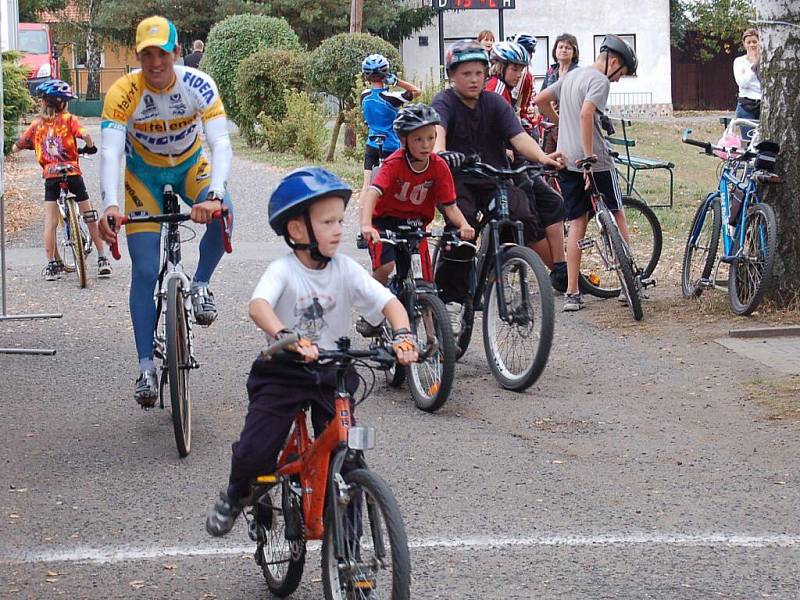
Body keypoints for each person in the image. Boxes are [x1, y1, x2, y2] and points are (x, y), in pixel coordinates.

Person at [205, 167, 419, 536]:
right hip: (284, 369)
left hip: (332, 370)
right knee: (257, 451)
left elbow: (389, 303)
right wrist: (285, 334)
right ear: (298, 230)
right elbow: (258, 305)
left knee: (348, 456)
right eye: (328, 221)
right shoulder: (283, 270)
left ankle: (351, 563)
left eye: (340, 219)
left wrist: (403, 335)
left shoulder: (346, 269)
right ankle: (236, 493)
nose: (338, 229)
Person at [98, 16, 234, 405]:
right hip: (142, 176)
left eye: (163, 53)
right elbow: (109, 152)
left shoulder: (198, 85)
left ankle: (201, 284)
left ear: (176, 52)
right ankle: (145, 367)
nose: (155, 63)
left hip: (190, 165)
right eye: (147, 55)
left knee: (225, 214)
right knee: (143, 269)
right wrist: (109, 204)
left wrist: (216, 195)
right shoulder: (123, 92)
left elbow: (220, 143)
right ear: (139, 56)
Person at [431, 39, 564, 334]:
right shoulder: (445, 101)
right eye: (466, 73)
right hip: (459, 181)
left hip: (494, 179)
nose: (474, 79)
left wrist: (543, 156)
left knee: (521, 215)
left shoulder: (494, 102)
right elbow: (438, 133)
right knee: (462, 234)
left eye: (479, 72)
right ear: (453, 75)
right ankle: (451, 301)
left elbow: (518, 137)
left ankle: (504, 272)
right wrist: (441, 154)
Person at [535, 34, 637, 312]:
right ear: (613, 62)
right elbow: (586, 114)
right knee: (616, 212)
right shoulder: (599, 80)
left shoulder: (571, 77)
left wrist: (559, 122)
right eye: (621, 74)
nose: (617, 80)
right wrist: (589, 156)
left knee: (577, 221)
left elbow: (540, 99)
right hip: (595, 161)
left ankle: (572, 293)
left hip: (566, 159)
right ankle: (631, 283)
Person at [357, 104, 475, 333]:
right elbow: (373, 193)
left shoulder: (439, 166)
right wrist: (366, 225)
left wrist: (464, 224)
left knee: (427, 284)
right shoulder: (394, 163)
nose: (426, 145)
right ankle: (372, 313)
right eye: (418, 139)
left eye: (431, 138)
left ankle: (433, 339)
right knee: (385, 266)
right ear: (404, 140)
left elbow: (449, 205)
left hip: (416, 225)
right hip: (384, 223)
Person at [11, 79, 112, 281]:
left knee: (50, 221)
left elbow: (17, 146)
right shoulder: (69, 119)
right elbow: (86, 136)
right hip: (72, 172)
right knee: (89, 215)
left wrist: (29, 147)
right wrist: (90, 147)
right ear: (64, 103)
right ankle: (102, 259)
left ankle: (52, 265)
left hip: (50, 176)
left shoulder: (36, 125)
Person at [358, 54, 421, 201]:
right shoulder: (391, 98)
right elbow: (417, 91)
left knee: (366, 186)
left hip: (372, 144)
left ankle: (363, 218)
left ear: (366, 76)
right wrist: (397, 81)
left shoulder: (364, 95)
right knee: (399, 184)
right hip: (391, 146)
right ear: (385, 73)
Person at [540, 33, 580, 153]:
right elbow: (541, 96)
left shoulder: (577, 73)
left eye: (568, 48)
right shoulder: (551, 71)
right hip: (550, 124)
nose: (563, 50)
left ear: (574, 52)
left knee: (567, 159)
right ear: (555, 50)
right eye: (560, 47)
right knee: (549, 163)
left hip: (569, 125)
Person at [505, 33, 539, 129]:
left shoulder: (523, 73)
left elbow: (514, 104)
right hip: (527, 121)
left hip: (523, 123)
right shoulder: (526, 70)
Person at [733, 28, 761, 142]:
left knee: (762, 142)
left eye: (754, 41)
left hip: (763, 106)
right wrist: (752, 65)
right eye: (748, 42)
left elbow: (763, 83)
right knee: (749, 142)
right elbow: (742, 83)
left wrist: (758, 61)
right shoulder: (739, 61)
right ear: (744, 44)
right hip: (746, 106)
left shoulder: (766, 61)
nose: (752, 45)